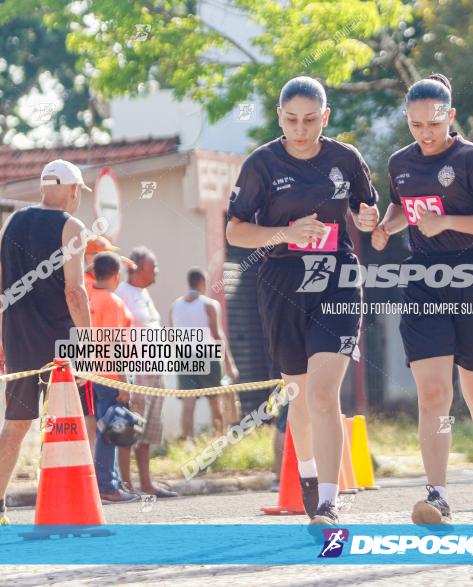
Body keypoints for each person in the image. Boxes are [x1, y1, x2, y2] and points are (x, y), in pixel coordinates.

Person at [226, 76, 379, 525]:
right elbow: (235, 231)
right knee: (298, 392)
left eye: (310, 120)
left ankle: (330, 501)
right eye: (291, 120)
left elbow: (366, 215)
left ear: (325, 117)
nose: (300, 128)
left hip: (337, 278)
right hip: (281, 280)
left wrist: (369, 218)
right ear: (279, 118)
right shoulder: (261, 164)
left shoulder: (345, 158)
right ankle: (308, 477)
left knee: (325, 392)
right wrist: (285, 234)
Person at [372, 73, 473, 524]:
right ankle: (436, 495)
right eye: (415, 125)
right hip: (423, 282)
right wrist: (383, 226)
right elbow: (401, 207)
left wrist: (449, 221)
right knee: (433, 393)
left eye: (432, 124)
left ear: (450, 117)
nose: (424, 134)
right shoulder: (399, 163)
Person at [0, 160, 95, 524]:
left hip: (19, 338)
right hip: (60, 345)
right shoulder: (71, 226)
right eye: (78, 192)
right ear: (72, 189)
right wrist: (87, 344)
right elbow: (75, 292)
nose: (77, 199)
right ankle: (68, 505)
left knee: (16, 423)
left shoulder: (13, 222)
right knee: (69, 421)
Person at [115, 246, 177, 498]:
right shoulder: (122, 294)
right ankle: (126, 484)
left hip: (155, 370)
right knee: (132, 429)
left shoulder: (144, 294)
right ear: (137, 269)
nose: (158, 272)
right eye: (154, 267)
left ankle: (147, 483)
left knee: (149, 431)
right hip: (137, 371)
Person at [87, 251, 139, 503]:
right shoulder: (113, 302)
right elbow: (116, 345)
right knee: (111, 430)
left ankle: (105, 482)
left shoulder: (89, 296)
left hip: (89, 374)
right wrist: (124, 382)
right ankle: (108, 485)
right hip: (109, 376)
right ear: (117, 276)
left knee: (100, 429)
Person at [171, 267, 239, 438]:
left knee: (188, 403)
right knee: (215, 402)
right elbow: (217, 335)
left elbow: (173, 335)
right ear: (201, 281)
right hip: (208, 354)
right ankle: (219, 440)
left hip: (184, 355)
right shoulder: (209, 305)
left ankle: (188, 443)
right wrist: (229, 364)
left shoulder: (175, 306)